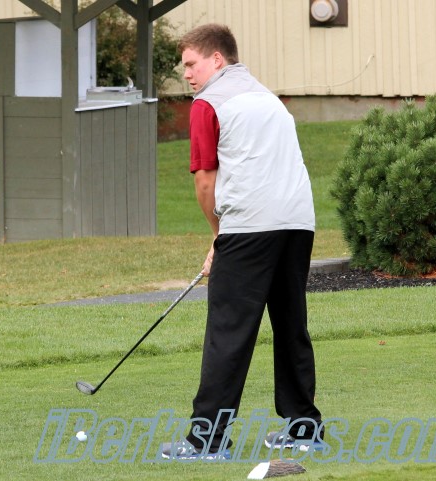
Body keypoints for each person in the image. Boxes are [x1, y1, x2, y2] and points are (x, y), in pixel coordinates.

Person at [163, 23, 323, 459]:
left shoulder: (208, 102)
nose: (187, 74)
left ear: (217, 59)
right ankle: (304, 429)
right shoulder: (267, 97)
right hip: (298, 222)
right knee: (290, 325)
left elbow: (205, 181)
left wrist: (218, 235)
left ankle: (206, 440)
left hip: (250, 225)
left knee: (228, 331)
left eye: (191, 64)